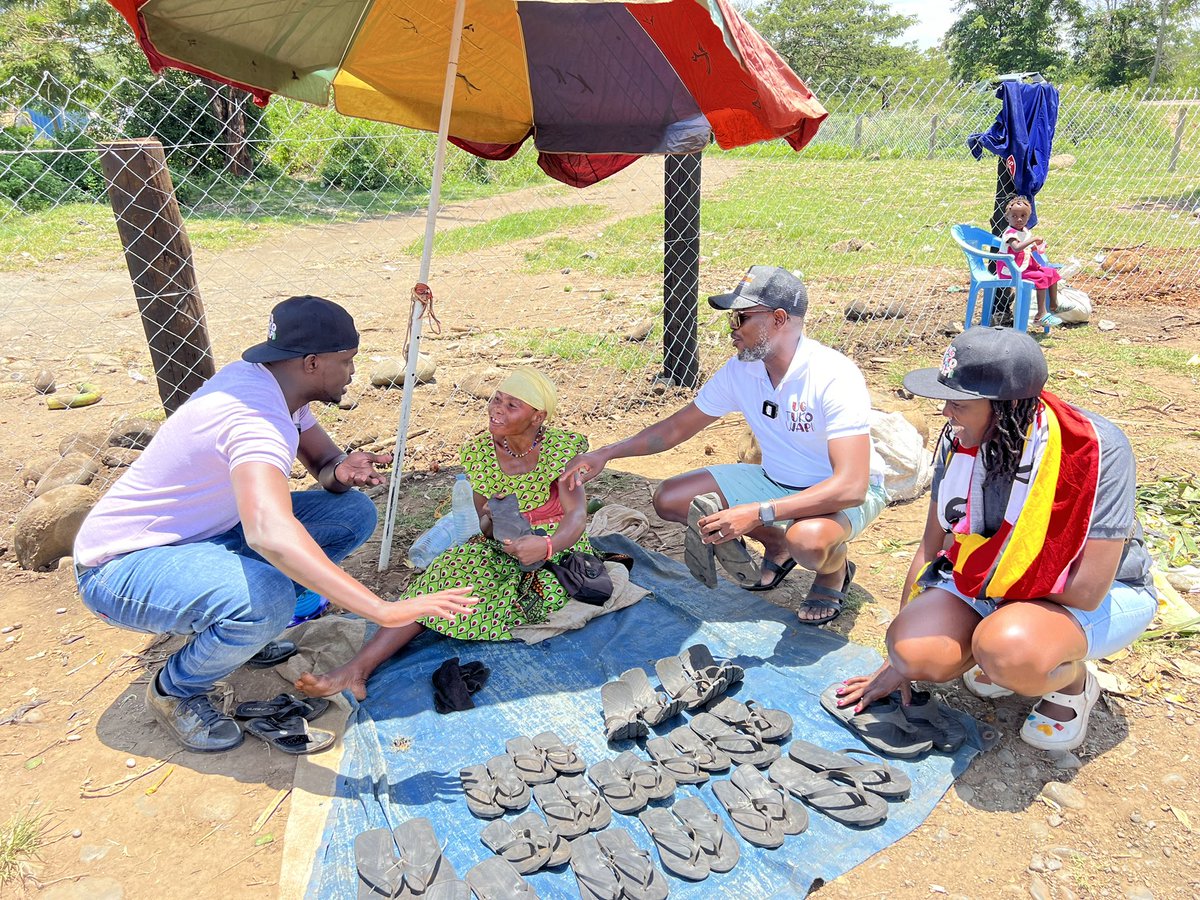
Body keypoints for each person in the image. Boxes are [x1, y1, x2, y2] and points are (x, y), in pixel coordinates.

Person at [73, 296, 478, 752]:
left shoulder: (276, 387)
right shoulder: (255, 420)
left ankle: (237, 633)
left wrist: (341, 471)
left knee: (351, 514)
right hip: (120, 567)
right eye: (346, 361)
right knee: (268, 598)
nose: (351, 372)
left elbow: (325, 462)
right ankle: (177, 689)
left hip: (197, 537)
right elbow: (268, 533)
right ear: (311, 362)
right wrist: (381, 610)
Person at [837, 327, 1156, 752]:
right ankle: (1002, 644)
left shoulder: (1096, 450)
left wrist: (992, 621)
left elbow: (1087, 589)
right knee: (915, 650)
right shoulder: (961, 440)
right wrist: (898, 663)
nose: (947, 413)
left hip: (1100, 592)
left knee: (1007, 649)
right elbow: (932, 549)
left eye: (960, 404)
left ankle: (1071, 680)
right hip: (990, 576)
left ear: (1007, 410)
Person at [563, 265, 886, 625]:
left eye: (740, 317)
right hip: (775, 479)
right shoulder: (742, 370)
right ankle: (777, 545)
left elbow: (852, 487)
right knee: (670, 499)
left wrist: (758, 513)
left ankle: (834, 571)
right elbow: (675, 429)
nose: (731, 329)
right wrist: (607, 453)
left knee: (809, 541)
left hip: (838, 495)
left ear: (778, 319)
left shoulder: (832, 375)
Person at [296, 367, 592, 700]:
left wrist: (546, 545)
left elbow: (577, 516)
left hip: (557, 548)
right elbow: (484, 523)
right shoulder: (481, 453)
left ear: (538, 416)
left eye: (512, 405)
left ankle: (358, 669)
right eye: (497, 399)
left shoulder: (563, 450)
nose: (497, 409)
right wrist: (497, 524)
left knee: (481, 588)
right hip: (504, 547)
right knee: (446, 575)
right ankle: (357, 669)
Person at [998, 194, 1062, 328]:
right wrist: (1032, 240)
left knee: (1051, 273)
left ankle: (1054, 305)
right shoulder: (1010, 234)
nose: (1019, 219)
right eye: (1014, 216)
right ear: (1007, 217)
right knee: (1040, 278)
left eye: (1023, 216)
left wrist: (1037, 247)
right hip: (1011, 269)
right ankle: (1041, 315)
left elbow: (1026, 248)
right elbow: (1016, 248)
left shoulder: (1024, 230)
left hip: (1023, 266)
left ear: (1028, 217)